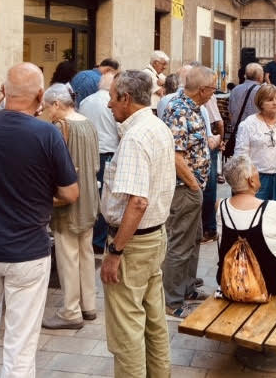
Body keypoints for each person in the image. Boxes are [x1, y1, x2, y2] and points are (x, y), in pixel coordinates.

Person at [0, 63, 79, 377]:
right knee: (20, 342)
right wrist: (42, 197)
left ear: (2, 91)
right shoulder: (47, 134)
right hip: (28, 249)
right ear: (41, 94)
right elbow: (70, 193)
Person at [100, 70, 176, 378]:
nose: (108, 105)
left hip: (133, 242)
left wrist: (115, 251)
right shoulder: (157, 126)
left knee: (126, 326)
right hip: (154, 236)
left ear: (125, 98)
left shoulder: (135, 136)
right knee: (154, 318)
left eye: (111, 98)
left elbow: (138, 202)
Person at [42, 83, 100, 330]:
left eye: (47, 107)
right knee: (86, 254)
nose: (47, 112)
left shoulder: (59, 127)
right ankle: (88, 305)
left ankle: (70, 311)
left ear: (56, 104)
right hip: (89, 199)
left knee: (68, 258)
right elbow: (95, 165)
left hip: (68, 202)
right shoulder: (87, 123)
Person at [161, 65, 215, 319]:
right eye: (213, 89)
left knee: (194, 239)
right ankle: (171, 301)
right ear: (203, 90)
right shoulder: (180, 111)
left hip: (194, 186)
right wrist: (193, 184)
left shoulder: (193, 108)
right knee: (180, 244)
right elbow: (175, 155)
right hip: (184, 188)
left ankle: (188, 287)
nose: (214, 94)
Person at [216, 155, 276, 296]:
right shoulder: (273, 207)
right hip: (272, 284)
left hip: (230, 283)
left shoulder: (221, 206)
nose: (258, 172)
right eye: (256, 170)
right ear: (251, 181)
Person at [234, 84, 276, 209]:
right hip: (258, 177)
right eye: (270, 100)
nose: (275, 103)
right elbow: (240, 155)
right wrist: (247, 179)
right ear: (260, 103)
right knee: (258, 213)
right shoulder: (248, 124)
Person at [78, 71, 120, 255]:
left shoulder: (86, 102)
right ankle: (98, 240)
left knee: (89, 195)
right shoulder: (112, 103)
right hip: (108, 153)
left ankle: (88, 234)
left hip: (88, 152)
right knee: (104, 198)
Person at [201, 90, 224, 243]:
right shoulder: (205, 99)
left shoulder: (168, 100)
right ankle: (209, 228)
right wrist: (220, 140)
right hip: (209, 144)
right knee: (209, 186)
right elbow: (219, 122)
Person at [228, 62, 263, 128]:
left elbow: (230, 114)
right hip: (256, 131)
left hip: (238, 130)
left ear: (245, 75)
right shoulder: (262, 91)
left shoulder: (235, 89)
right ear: (260, 77)